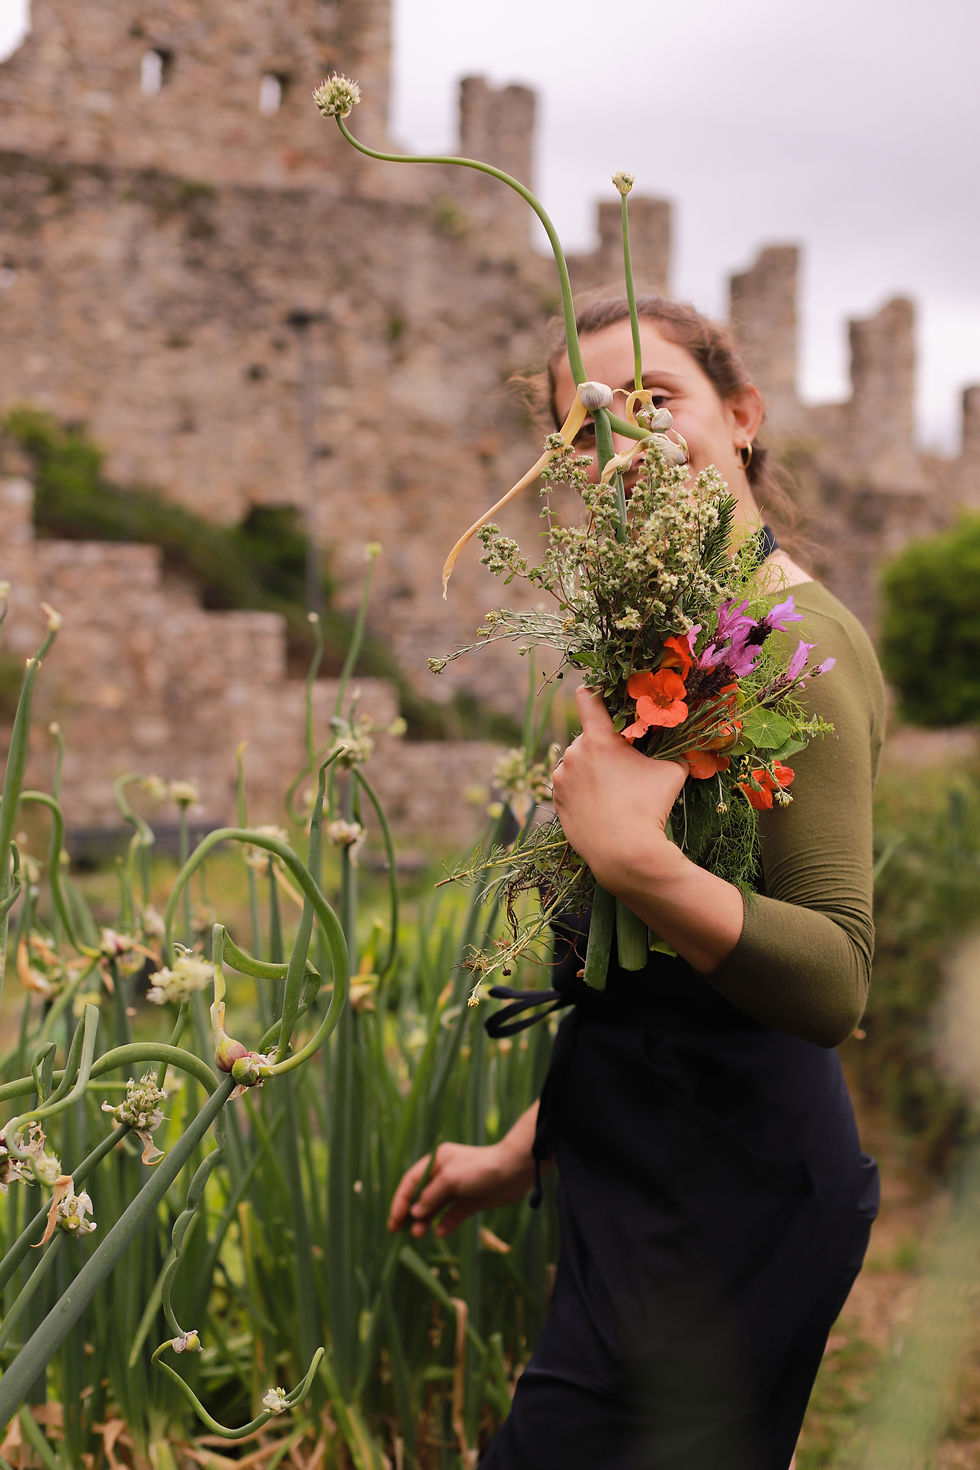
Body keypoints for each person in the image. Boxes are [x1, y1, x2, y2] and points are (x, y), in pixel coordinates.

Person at [388, 297, 883, 1470]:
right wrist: (528, 1145)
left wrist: (635, 859)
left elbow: (832, 984)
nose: (625, 439)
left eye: (654, 398)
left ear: (743, 418)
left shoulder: (793, 644)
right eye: (586, 428)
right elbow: (648, 984)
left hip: (735, 1208)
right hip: (637, 1170)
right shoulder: (665, 641)